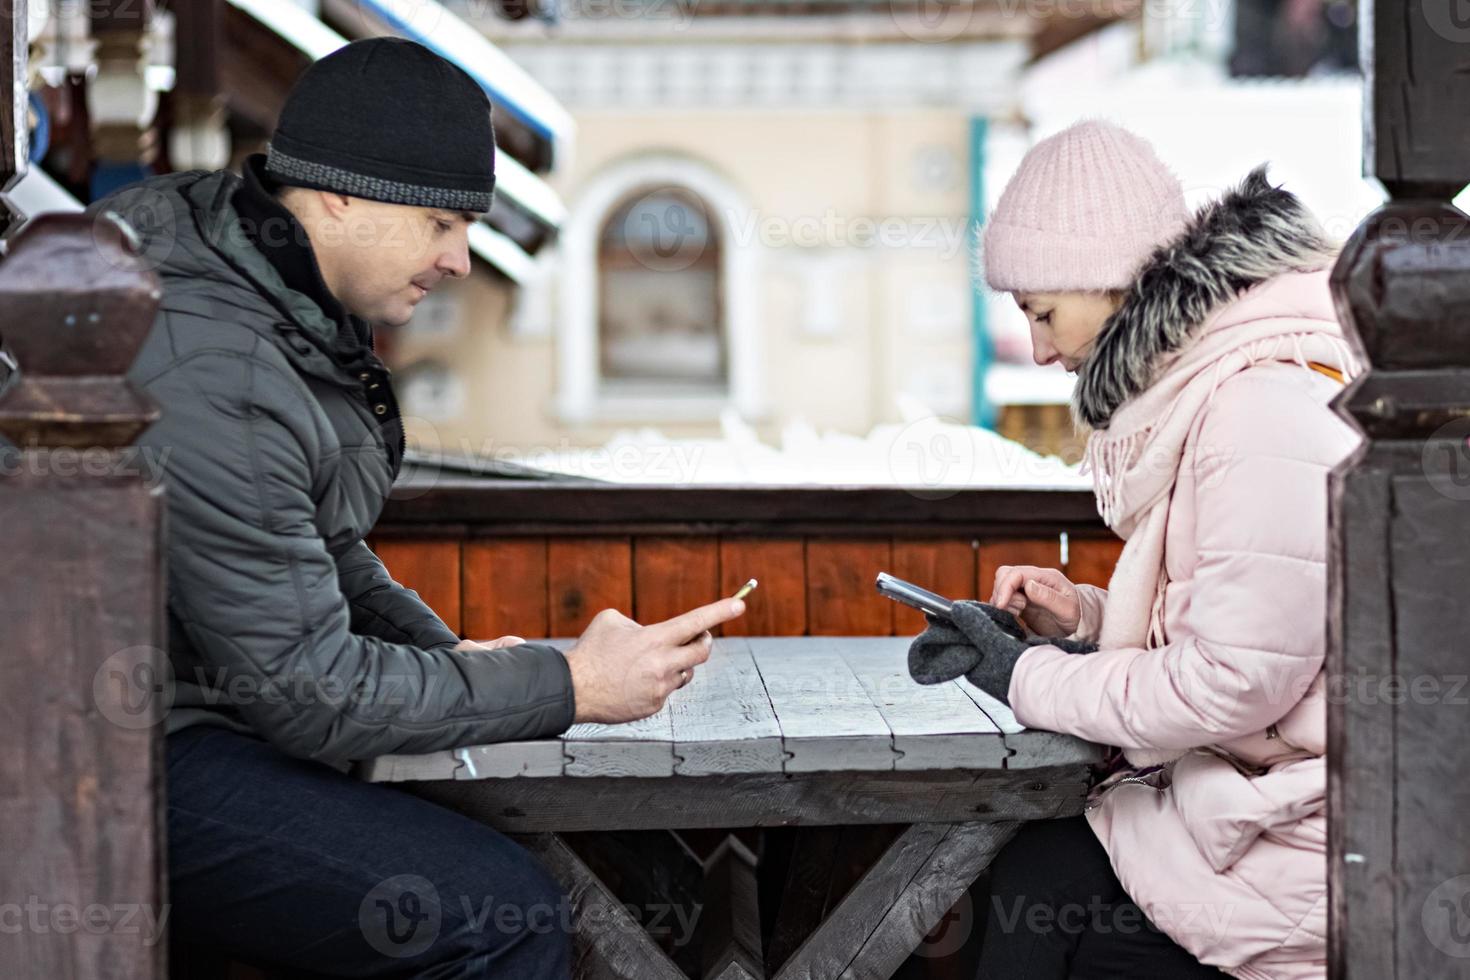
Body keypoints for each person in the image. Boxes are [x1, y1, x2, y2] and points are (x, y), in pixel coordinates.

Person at [100, 38, 745, 978]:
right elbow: (309, 692)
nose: (459, 260)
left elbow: (313, 545)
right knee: (499, 913)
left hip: (184, 722)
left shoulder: (267, 294)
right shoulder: (215, 362)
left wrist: (437, 652)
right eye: (443, 223)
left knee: (569, 868)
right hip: (97, 755)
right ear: (338, 194)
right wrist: (572, 685)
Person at [908, 120, 1359, 979]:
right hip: (1251, 807)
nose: (1039, 351)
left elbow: (1231, 682)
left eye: (1042, 313)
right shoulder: (1225, 385)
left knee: (1027, 891)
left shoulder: (1256, 408)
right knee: (1024, 871)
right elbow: (1259, 620)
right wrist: (1083, 618)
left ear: (1109, 280)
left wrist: (1025, 677)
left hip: (1301, 849)